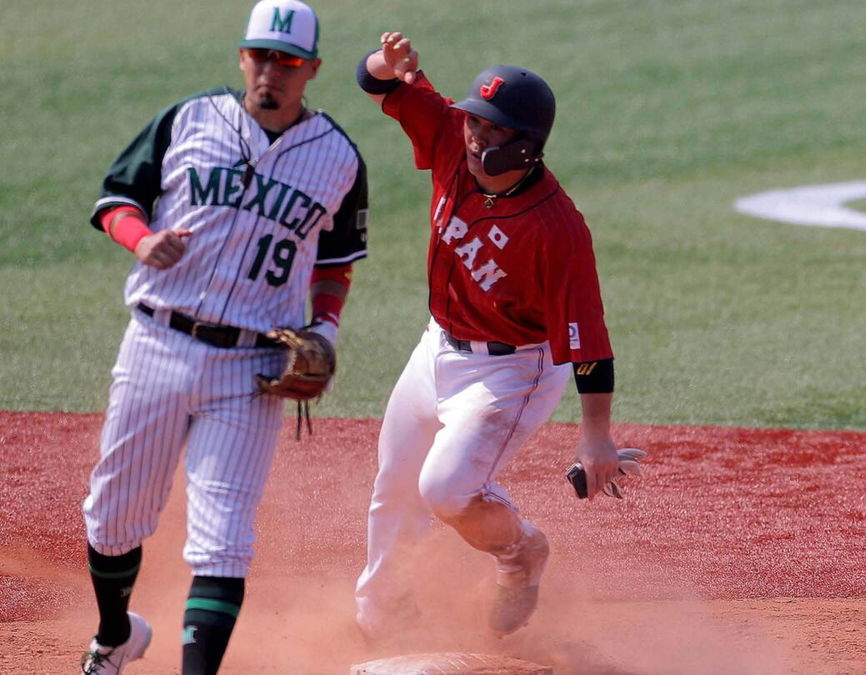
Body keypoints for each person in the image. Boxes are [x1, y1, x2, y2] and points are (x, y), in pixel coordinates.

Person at [79, 1, 368, 673]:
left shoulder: (337, 157)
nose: (273, 71)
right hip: (156, 343)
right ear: (243, 58)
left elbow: (336, 259)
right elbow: (114, 198)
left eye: (288, 62)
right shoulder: (190, 120)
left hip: (253, 365)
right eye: (262, 56)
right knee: (112, 516)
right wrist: (142, 238)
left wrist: (324, 328)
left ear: (312, 70)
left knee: (224, 539)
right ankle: (116, 632)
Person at [352, 32, 630, 639]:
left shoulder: (557, 230)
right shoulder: (453, 139)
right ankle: (382, 618)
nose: (475, 137)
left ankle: (520, 554)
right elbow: (373, 83)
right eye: (475, 121)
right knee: (395, 486)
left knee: (445, 491)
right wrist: (389, 64)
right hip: (437, 345)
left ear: (527, 147)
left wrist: (596, 437)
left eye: (493, 130)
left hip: (512, 371)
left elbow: (589, 342)